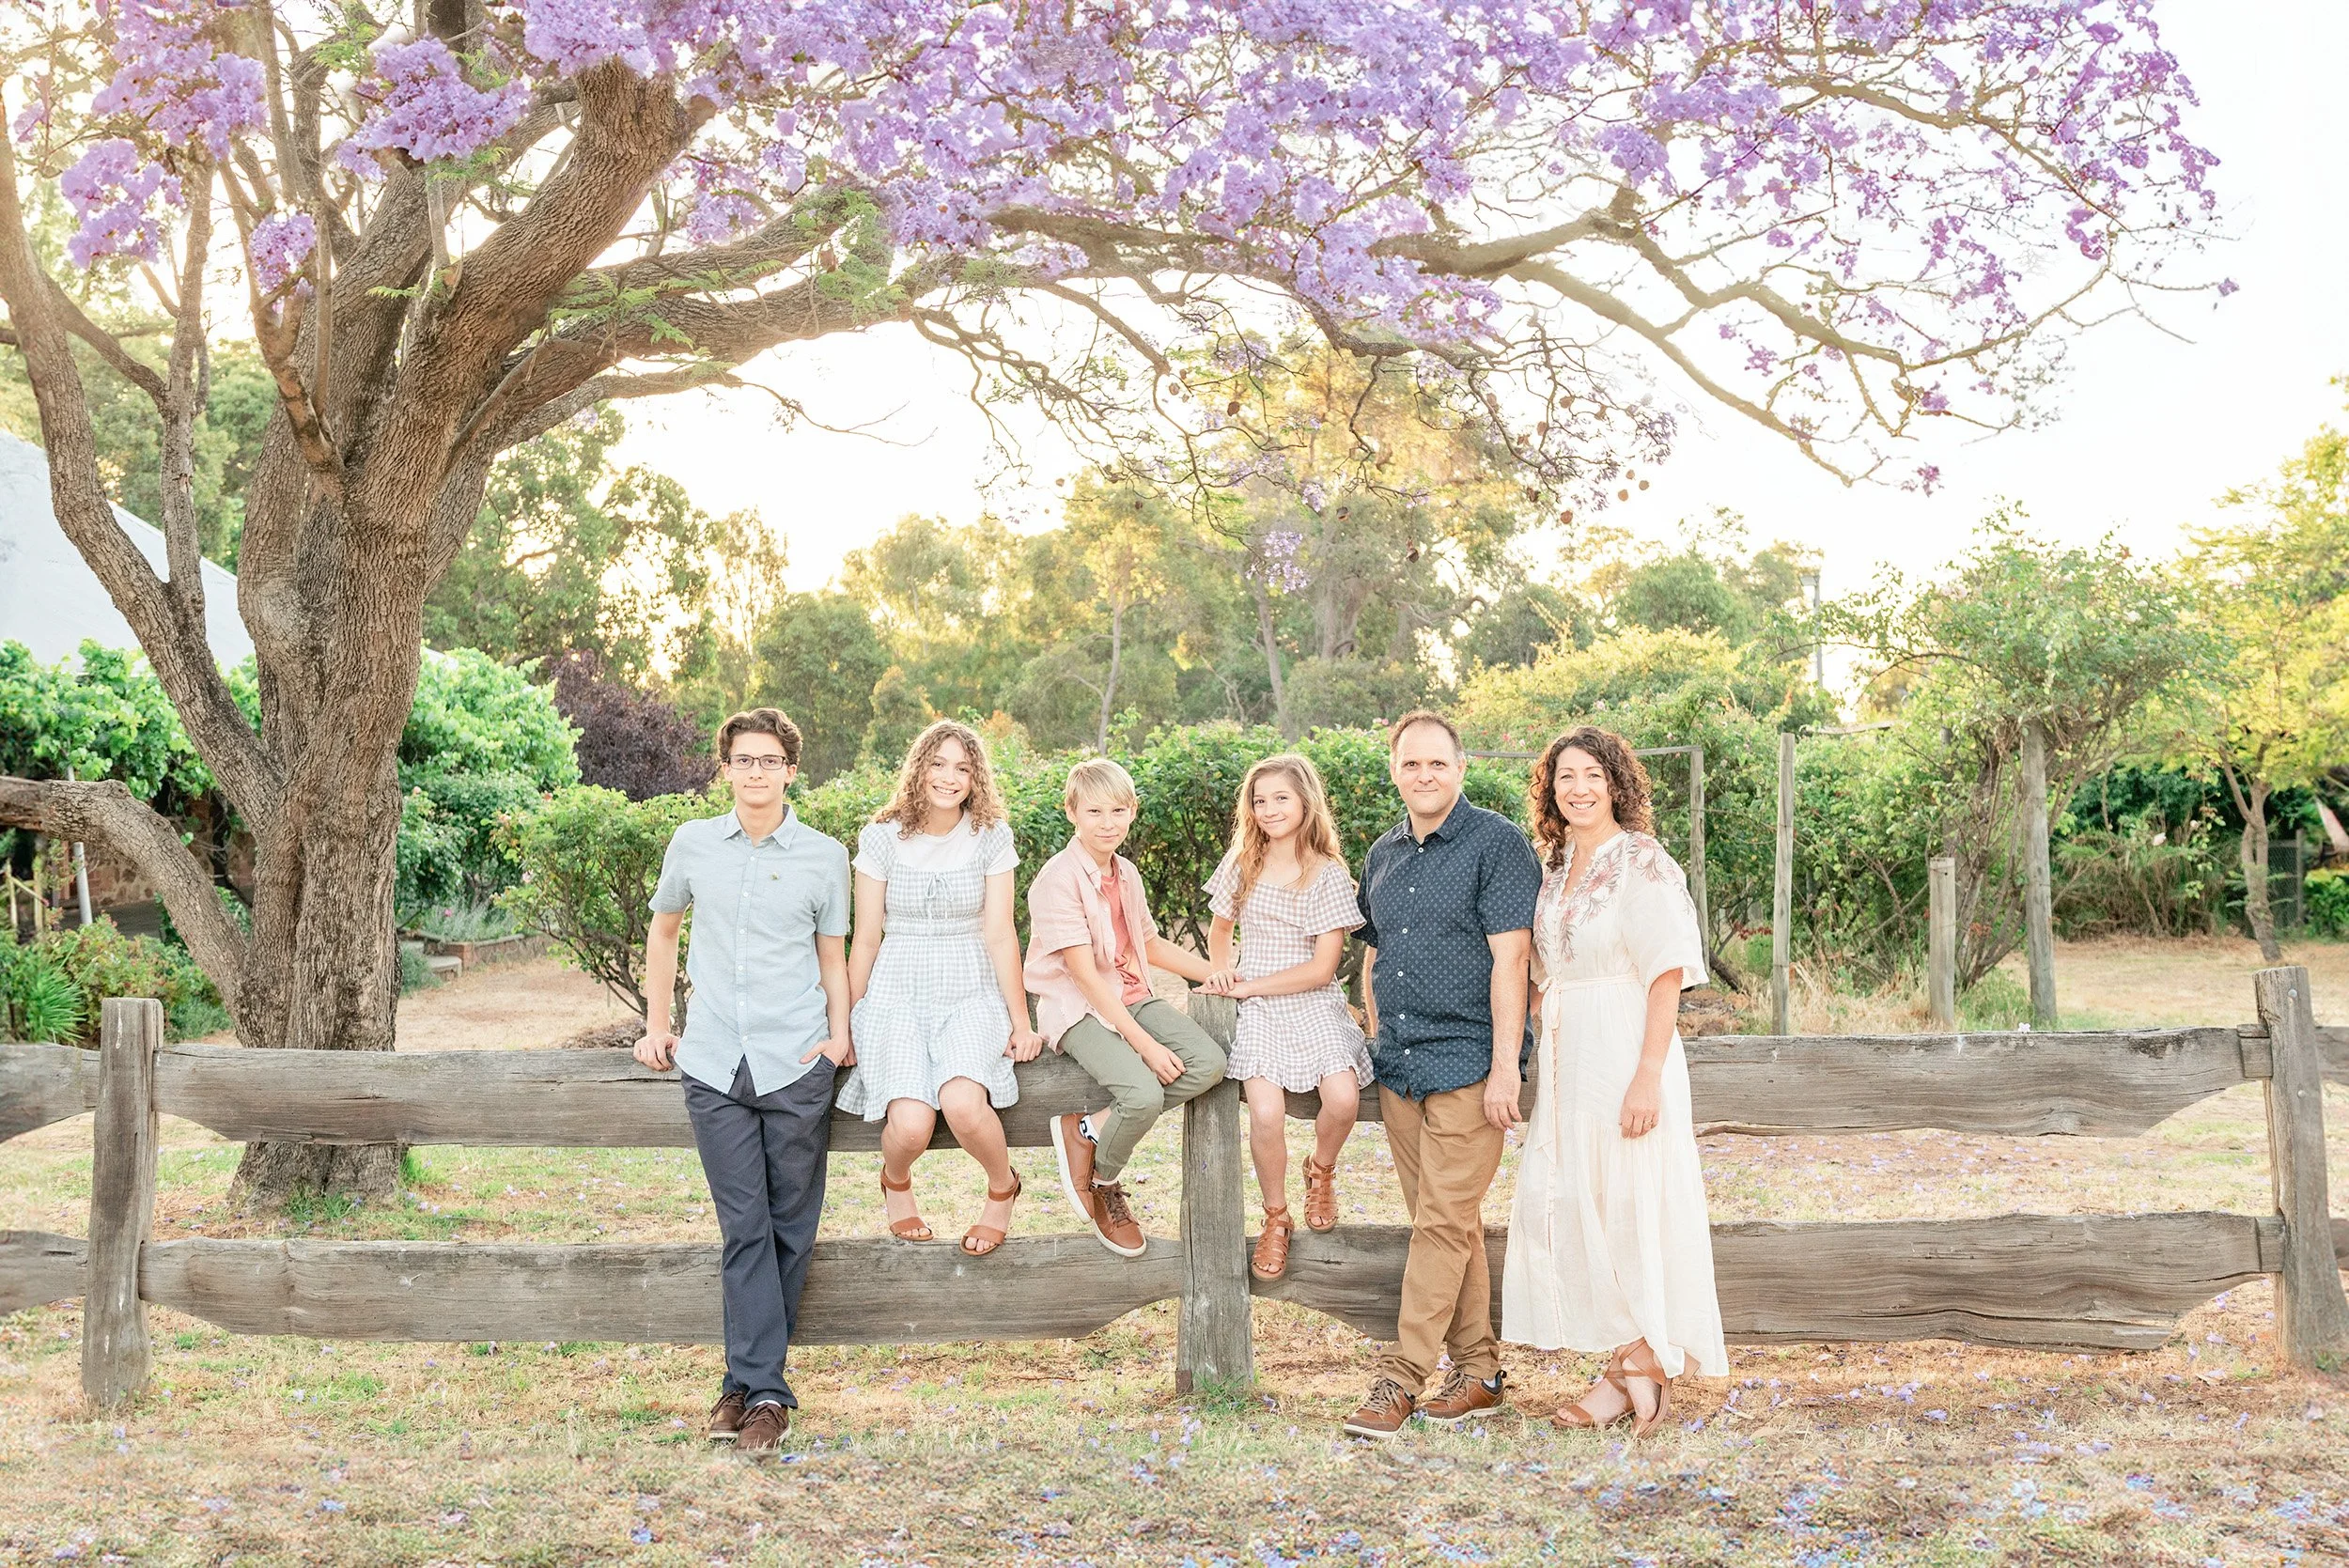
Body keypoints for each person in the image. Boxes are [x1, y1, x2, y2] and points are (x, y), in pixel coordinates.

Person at [635, 708, 852, 1462]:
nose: (755, 772)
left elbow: (833, 956)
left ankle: (743, 1382)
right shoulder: (693, 844)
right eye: (742, 759)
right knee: (745, 1226)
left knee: (792, 1226)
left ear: (792, 769)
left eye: (769, 760)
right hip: (714, 1061)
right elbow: (664, 930)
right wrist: (659, 1022)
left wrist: (839, 1034)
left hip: (797, 1060)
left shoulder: (825, 856)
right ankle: (766, 1394)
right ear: (724, 768)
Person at [1502, 724, 1727, 1436]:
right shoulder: (1555, 868)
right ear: (1551, 790)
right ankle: (1635, 1364)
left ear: (1616, 783)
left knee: (1629, 1201)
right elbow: (1540, 971)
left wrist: (1647, 1077)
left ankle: (1634, 1372)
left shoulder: (1643, 861)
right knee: (1568, 1197)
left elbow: (1666, 972)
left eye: (1592, 775)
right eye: (1564, 776)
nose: (1578, 788)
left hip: (1629, 1040)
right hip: (1570, 1051)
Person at [1342, 710, 1544, 1439]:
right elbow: (1373, 950)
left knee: (1438, 1222)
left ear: (1460, 768)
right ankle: (1481, 1372)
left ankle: (1399, 1380)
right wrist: (1372, 1023)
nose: (1424, 775)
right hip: (1399, 1063)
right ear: (1394, 770)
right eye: (1410, 764)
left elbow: (1512, 961)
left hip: (1467, 1058)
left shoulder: (1496, 844)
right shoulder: (1383, 853)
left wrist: (1503, 1069)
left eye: (1437, 763)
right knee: (1448, 1224)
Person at [838, 720, 1045, 1256]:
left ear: (976, 778)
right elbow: (865, 938)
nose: (950, 777)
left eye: (963, 767)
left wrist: (1022, 1023)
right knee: (909, 1125)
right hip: (896, 993)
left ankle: (1002, 1187)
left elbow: (1001, 934)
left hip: (969, 988)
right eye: (938, 764)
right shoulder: (880, 837)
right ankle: (896, 1182)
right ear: (919, 768)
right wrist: (845, 1025)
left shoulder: (991, 836)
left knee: (962, 1103)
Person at [1027, 757, 1229, 1257]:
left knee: (1211, 1064)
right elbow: (1085, 977)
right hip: (1079, 1007)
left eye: (1119, 810)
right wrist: (1145, 1045)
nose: (1108, 822)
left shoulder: (1128, 875)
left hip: (1132, 994)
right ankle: (1103, 1183)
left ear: (1133, 811)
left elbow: (1150, 945)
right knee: (1140, 1095)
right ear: (1071, 811)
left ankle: (1088, 1129)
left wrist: (1220, 974)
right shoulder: (1057, 880)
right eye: (1095, 811)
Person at [1199, 753, 1370, 1282]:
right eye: (1259, 800)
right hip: (1259, 1009)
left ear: (1305, 803)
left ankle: (1320, 1169)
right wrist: (1226, 973)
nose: (1269, 809)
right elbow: (1221, 931)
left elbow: (1322, 968)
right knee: (1266, 1113)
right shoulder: (1242, 863)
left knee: (1342, 1097)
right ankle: (1276, 1216)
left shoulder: (1326, 874)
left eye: (1281, 798)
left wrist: (1251, 984)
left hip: (1310, 1000)